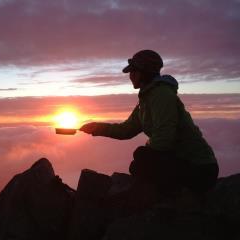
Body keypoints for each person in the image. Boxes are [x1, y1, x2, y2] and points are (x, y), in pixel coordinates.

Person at [80, 50, 219, 209]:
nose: (130, 75)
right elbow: (126, 130)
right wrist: (95, 128)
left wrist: (146, 154)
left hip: (200, 168)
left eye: (133, 71)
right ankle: (169, 197)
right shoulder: (146, 99)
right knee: (141, 162)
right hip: (183, 162)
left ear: (144, 72)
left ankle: (175, 201)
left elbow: (164, 137)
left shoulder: (161, 95)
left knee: (142, 159)